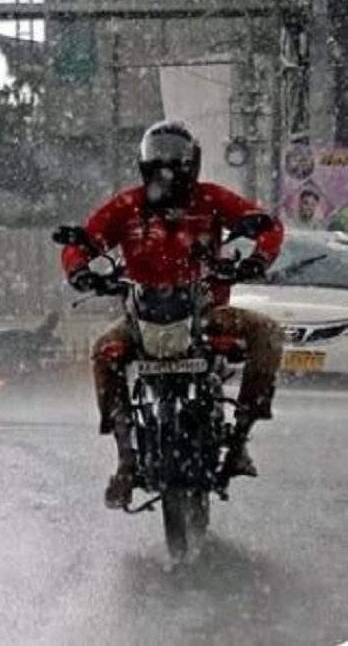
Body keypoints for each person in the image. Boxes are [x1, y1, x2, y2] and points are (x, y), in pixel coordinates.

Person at [60, 121, 286, 509]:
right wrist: (80, 270)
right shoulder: (126, 206)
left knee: (267, 332)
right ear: (144, 167)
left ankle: (240, 439)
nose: (167, 172)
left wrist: (256, 259)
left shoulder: (212, 199)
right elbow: (82, 241)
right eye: (158, 163)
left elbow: (269, 227)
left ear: (192, 165)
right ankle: (125, 454)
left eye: (174, 163)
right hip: (141, 319)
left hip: (206, 313)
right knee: (104, 352)